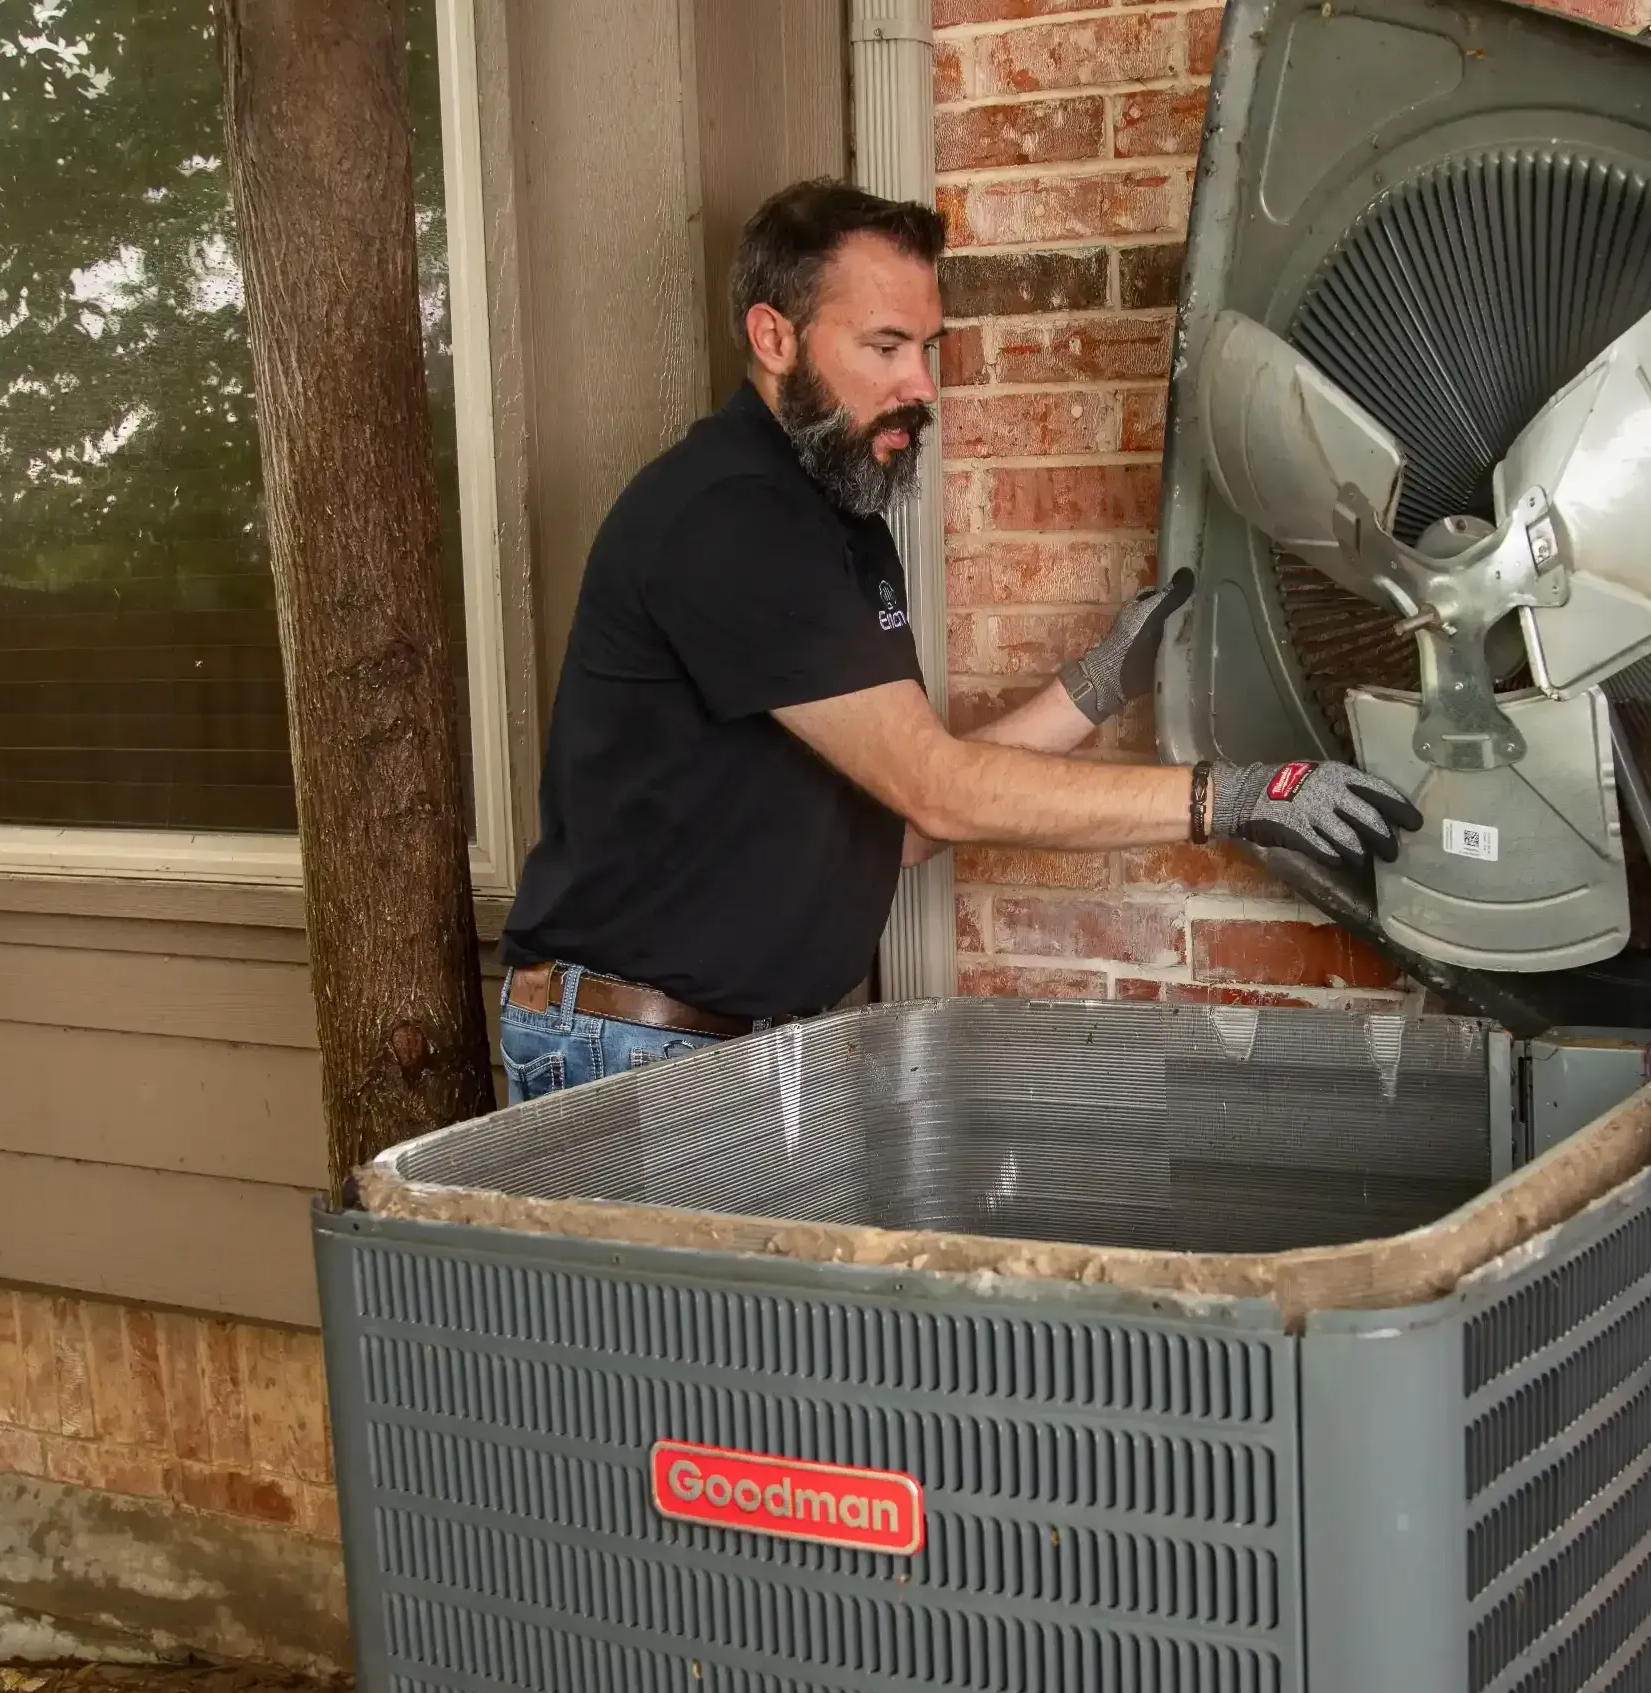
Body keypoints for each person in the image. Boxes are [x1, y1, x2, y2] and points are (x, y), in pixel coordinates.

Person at [494, 179, 1418, 1099]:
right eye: (886, 347)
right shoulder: (729, 519)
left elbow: (897, 826)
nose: (922, 387)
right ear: (773, 337)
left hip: (738, 1048)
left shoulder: (839, 521)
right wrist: (1236, 796)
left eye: (926, 348)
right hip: (629, 1049)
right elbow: (937, 795)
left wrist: (1097, 683)